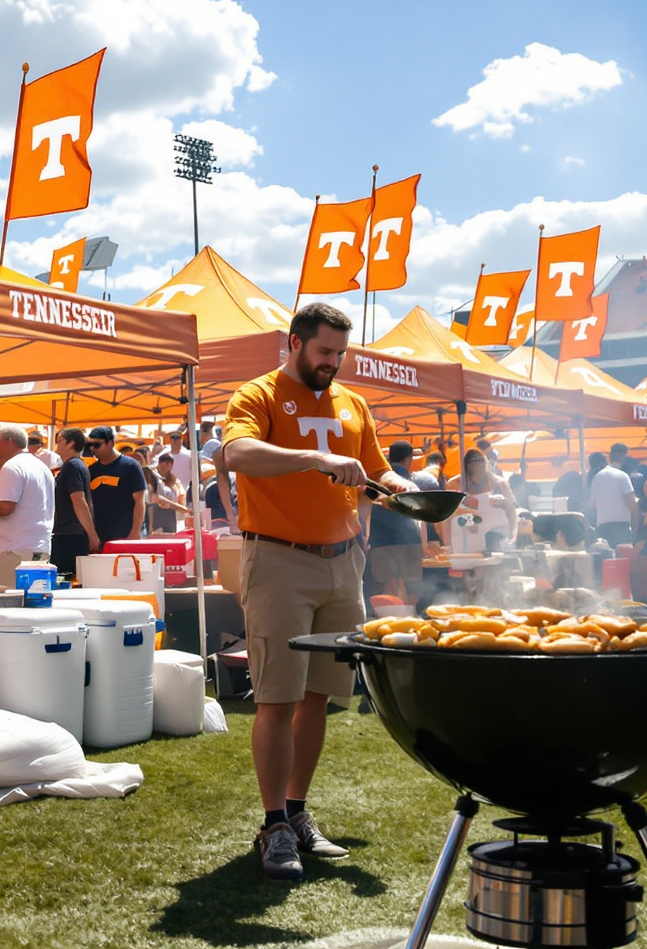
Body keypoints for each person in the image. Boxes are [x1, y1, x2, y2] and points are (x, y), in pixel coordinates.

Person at [221, 302, 413, 882]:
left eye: (340, 353)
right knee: (278, 698)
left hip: (342, 563)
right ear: (295, 342)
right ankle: (273, 824)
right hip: (279, 560)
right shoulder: (255, 395)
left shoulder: (354, 403)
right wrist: (317, 458)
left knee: (319, 698)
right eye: (325, 351)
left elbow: (377, 472)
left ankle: (298, 812)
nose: (333, 363)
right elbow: (234, 454)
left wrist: (412, 489)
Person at [0, 427, 54, 585]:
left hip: (11, 552)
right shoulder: (42, 468)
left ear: (10, 441)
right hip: (37, 549)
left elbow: (5, 508)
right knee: (30, 604)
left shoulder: (12, 467)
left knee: (4, 605)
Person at [363, 441, 432, 606]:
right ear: (408, 459)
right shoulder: (412, 482)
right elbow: (420, 515)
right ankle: (410, 618)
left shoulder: (377, 480)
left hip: (380, 542)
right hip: (409, 542)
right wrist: (424, 544)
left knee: (387, 588)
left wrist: (367, 535)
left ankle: (390, 620)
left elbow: (366, 508)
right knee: (413, 587)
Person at [48, 428, 101, 579]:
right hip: (71, 533)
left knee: (65, 580)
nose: (57, 445)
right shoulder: (75, 465)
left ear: (71, 443)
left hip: (70, 535)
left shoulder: (73, 466)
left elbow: (78, 500)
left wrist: (91, 534)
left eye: (60, 441)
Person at [82, 428, 148, 546]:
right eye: (89, 445)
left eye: (97, 445)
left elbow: (139, 501)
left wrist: (135, 532)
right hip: (101, 536)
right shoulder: (92, 470)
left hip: (125, 535)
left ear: (110, 443)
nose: (92, 449)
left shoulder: (130, 466)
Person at [585, 450, 637, 550]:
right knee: (623, 560)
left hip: (603, 527)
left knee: (607, 560)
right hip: (621, 526)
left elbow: (593, 503)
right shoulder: (622, 476)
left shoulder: (596, 478)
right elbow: (632, 504)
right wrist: (635, 530)